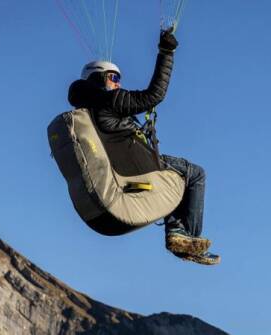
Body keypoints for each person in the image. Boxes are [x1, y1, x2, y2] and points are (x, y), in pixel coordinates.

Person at [67, 30, 219, 266]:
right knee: (194, 173)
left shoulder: (85, 109)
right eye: (113, 77)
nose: (118, 83)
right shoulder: (109, 101)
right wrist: (166, 53)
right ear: (97, 78)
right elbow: (154, 95)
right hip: (131, 167)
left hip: (116, 179)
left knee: (173, 176)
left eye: (119, 78)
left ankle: (178, 231)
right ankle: (185, 234)